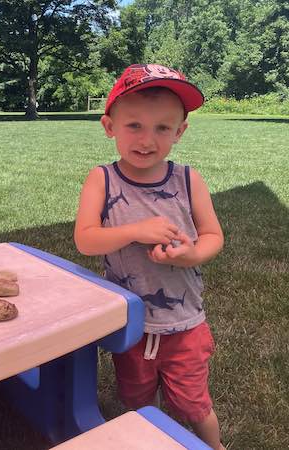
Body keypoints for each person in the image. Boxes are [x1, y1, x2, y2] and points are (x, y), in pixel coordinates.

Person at [74, 64, 225, 450]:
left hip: (185, 322)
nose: (147, 139)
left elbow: (212, 236)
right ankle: (151, 440)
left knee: (194, 404)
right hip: (132, 325)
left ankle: (215, 445)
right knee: (137, 400)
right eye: (134, 126)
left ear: (180, 131)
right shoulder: (101, 179)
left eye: (162, 128)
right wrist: (136, 231)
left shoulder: (188, 179)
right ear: (109, 126)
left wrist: (190, 256)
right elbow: (86, 240)